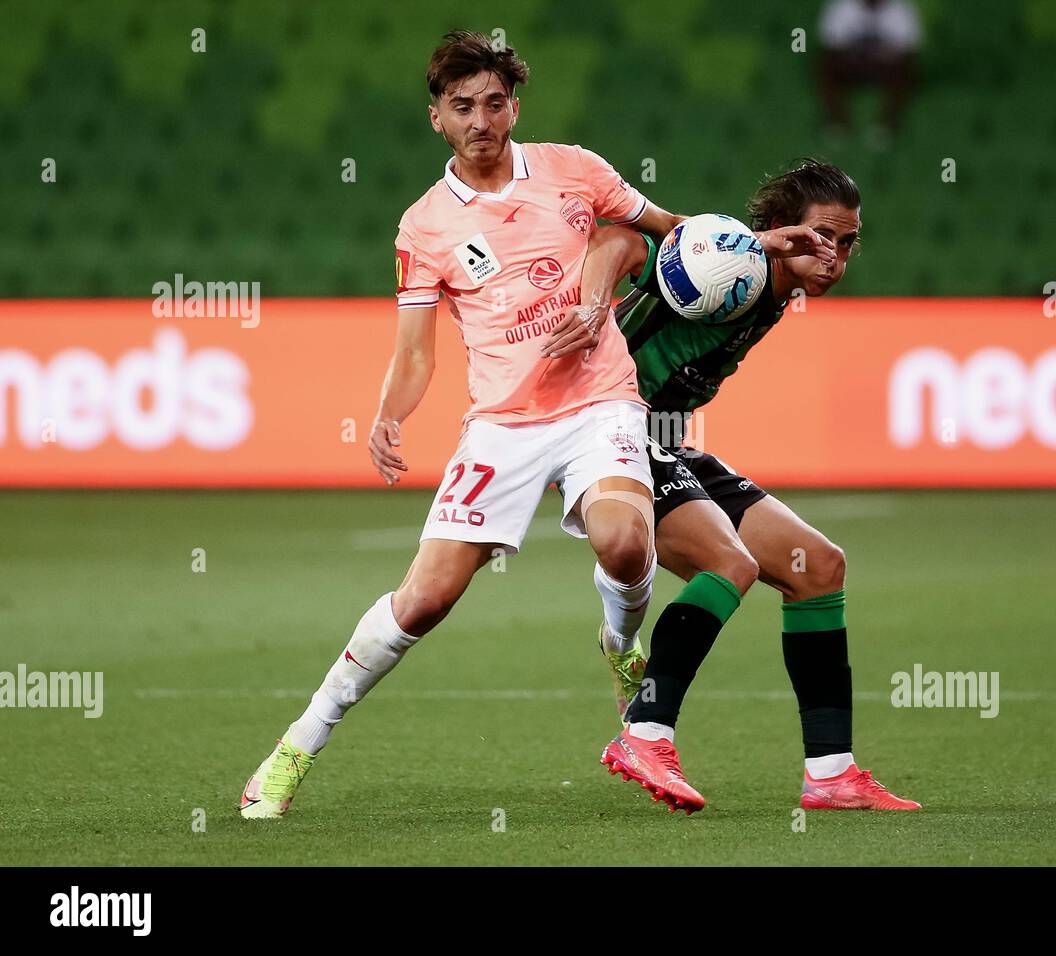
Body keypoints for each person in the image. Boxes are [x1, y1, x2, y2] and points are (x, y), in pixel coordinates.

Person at [238, 31, 833, 819]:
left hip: (601, 403)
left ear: (513, 106)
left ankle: (621, 649)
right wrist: (388, 412)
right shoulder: (424, 227)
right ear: (436, 120)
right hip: (503, 424)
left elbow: (665, 235)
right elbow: (414, 353)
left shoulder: (573, 170)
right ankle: (294, 748)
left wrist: (753, 244)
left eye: (493, 103)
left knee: (626, 541)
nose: (480, 119)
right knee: (423, 602)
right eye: (462, 107)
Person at [580, 159, 922, 813]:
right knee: (727, 562)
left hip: (664, 440)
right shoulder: (728, 264)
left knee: (817, 566)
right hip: (606, 432)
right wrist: (593, 306)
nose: (835, 256)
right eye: (822, 236)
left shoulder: (775, 291)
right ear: (776, 231)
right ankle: (645, 732)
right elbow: (619, 241)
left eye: (847, 242)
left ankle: (831, 773)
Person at [817, 0, 923, 145]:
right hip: (852, 65)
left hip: (885, 67)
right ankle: (837, 122)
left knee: (906, 72)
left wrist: (881, 57)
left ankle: (887, 124)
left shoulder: (901, 10)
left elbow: (909, 52)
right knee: (827, 68)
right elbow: (831, 48)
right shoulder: (842, 7)